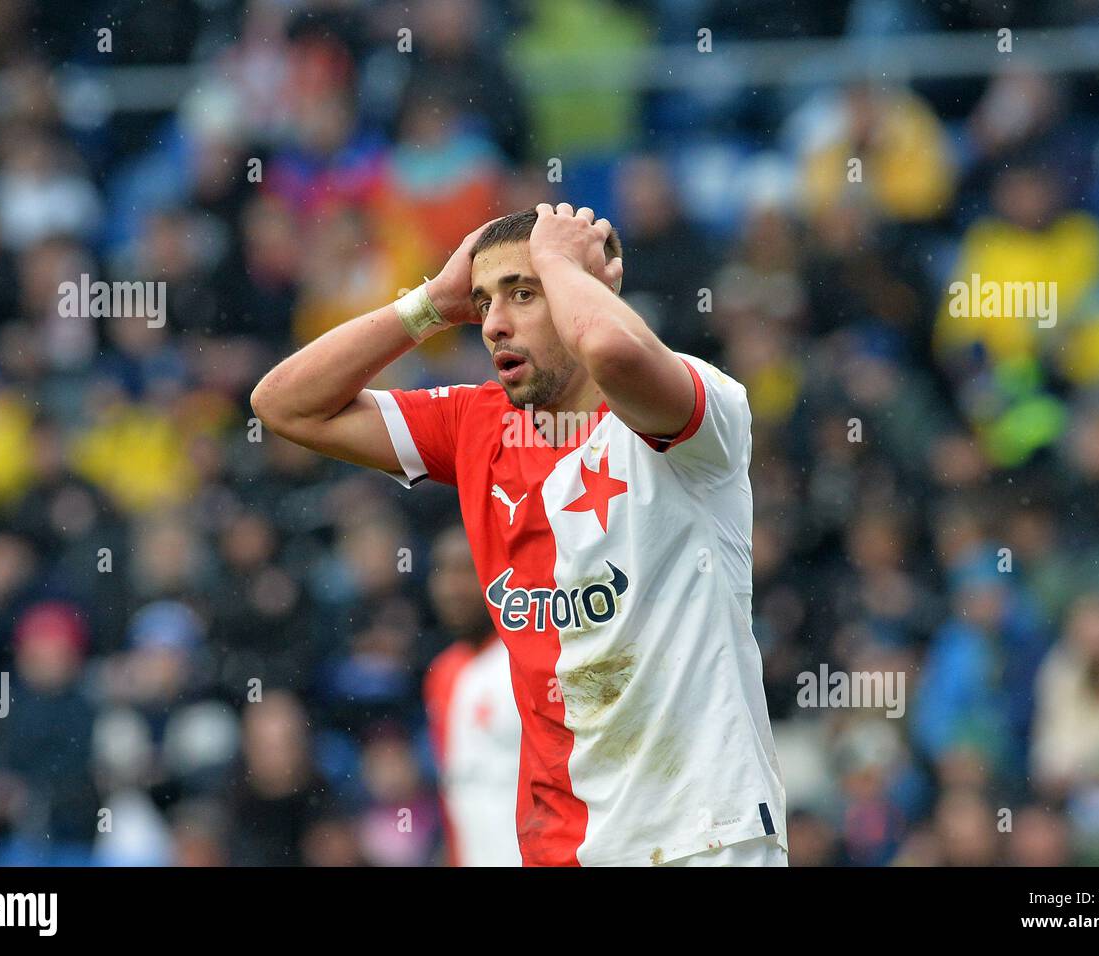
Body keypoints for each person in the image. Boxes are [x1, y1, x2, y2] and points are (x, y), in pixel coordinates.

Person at [252, 202, 788, 866]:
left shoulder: (698, 410)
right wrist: (434, 305)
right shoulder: (477, 423)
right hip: (558, 849)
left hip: (700, 836)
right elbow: (282, 404)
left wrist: (564, 264)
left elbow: (615, 350)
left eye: (524, 293)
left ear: (592, 286)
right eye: (483, 303)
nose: (495, 323)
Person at [423, 526, 522, 866]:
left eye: (466, 570)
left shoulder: (530, 662)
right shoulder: (443, 673)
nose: (451, 588)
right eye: (442, 572)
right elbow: (455, 788)